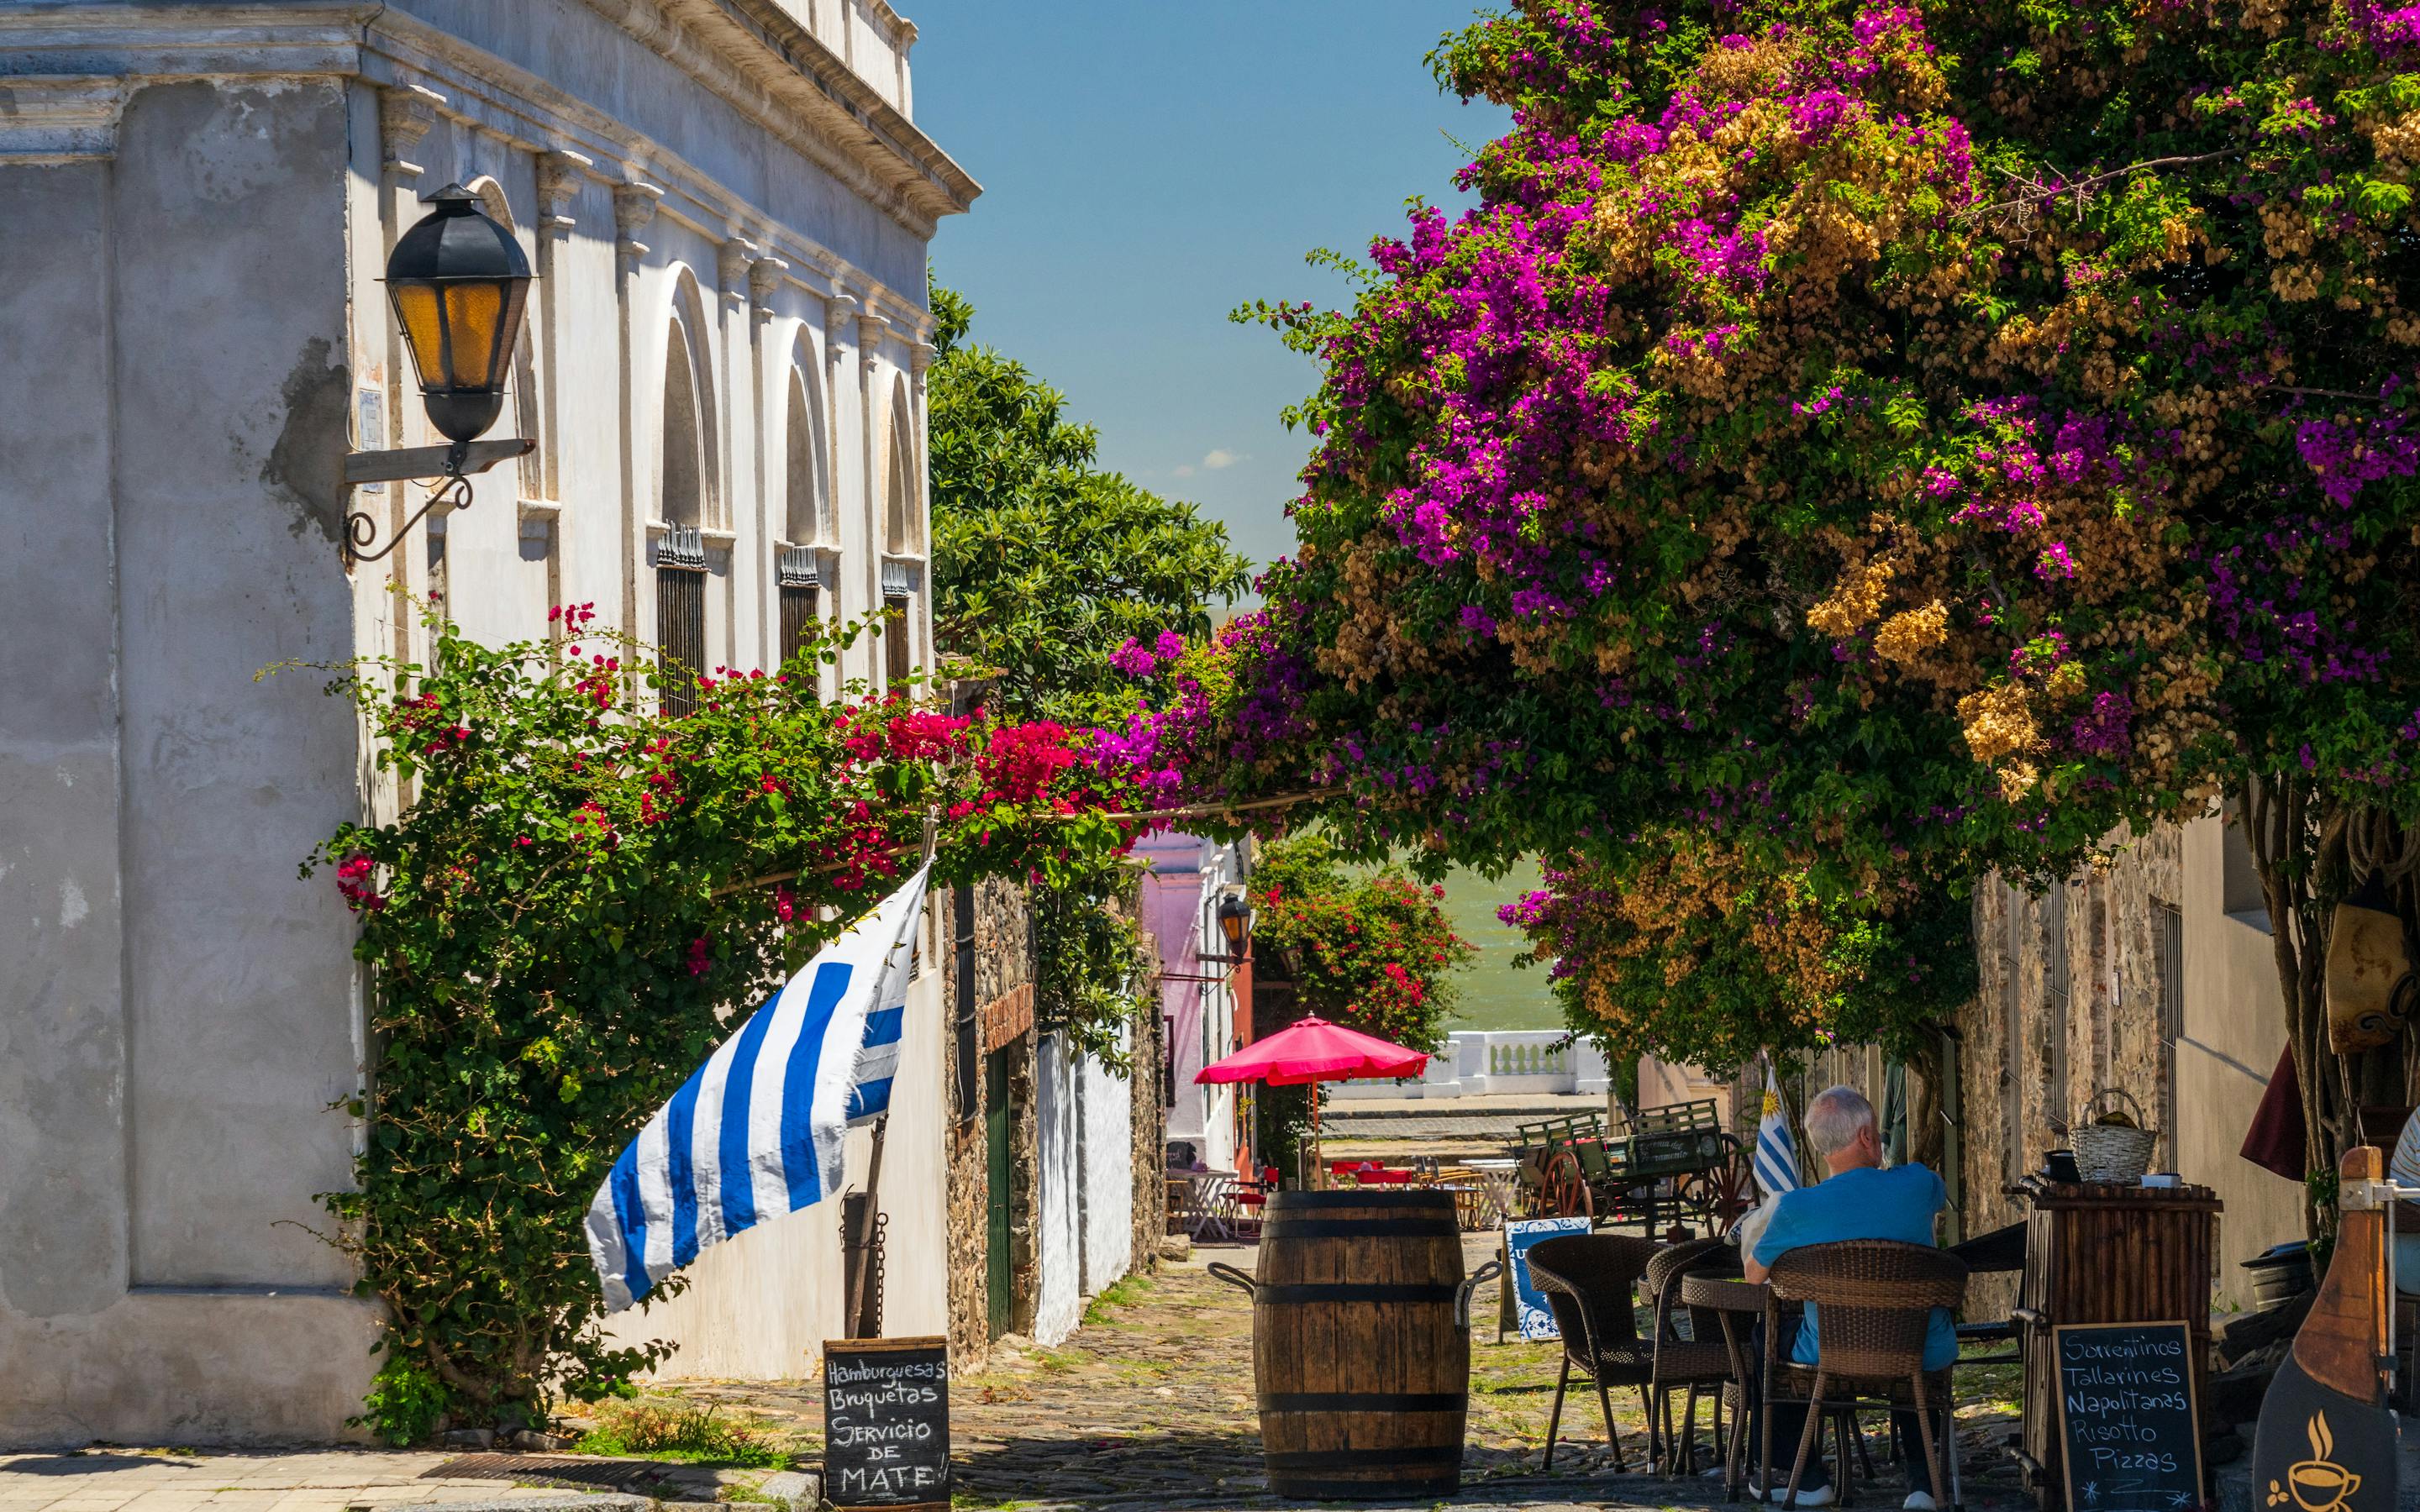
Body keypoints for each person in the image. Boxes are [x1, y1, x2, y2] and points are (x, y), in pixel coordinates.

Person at [1740, 1084, 1957, 1509]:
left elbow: (1752, 1276)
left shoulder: (1797, 1208)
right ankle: (1923, 1484)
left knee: (1766, 1334)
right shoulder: (1917, 1184)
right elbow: (1936, 1191)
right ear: (1866, 1137)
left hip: (1829, 1350)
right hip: (1920, 1349)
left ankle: (1805, 1476)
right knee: (1909, 1343)